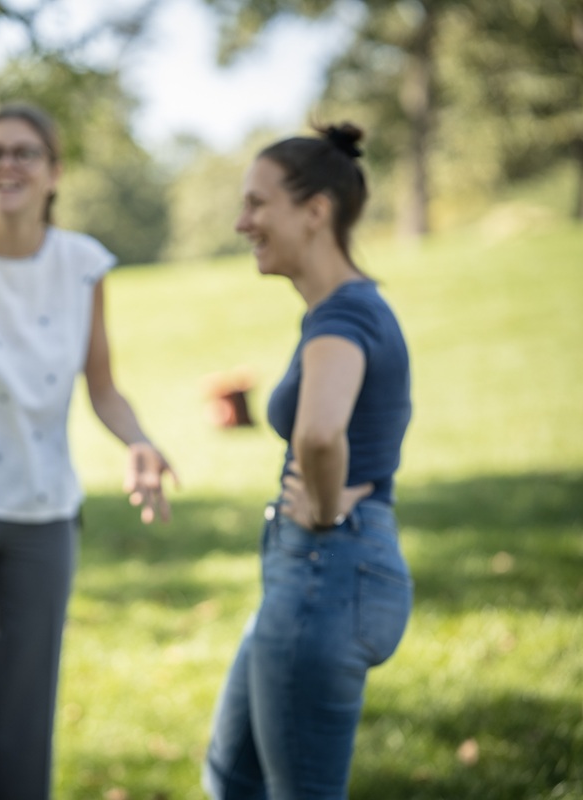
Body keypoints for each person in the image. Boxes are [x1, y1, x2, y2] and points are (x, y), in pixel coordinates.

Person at [0, 103, 175, 800]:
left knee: (26, 707)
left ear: (55, 170)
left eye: (23, 152)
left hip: (45, 508)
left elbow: (102, 387)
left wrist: (139, 442)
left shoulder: (84, 265)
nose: (6, 164)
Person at [202, 123, 414, 800]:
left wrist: (321, 510)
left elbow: (321, 434)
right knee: (234, 776)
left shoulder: (342, 316)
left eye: (258, 204)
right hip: (327, 575)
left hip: (328, 573)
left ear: (316, 210)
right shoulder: (348, 308)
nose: (243, 223)